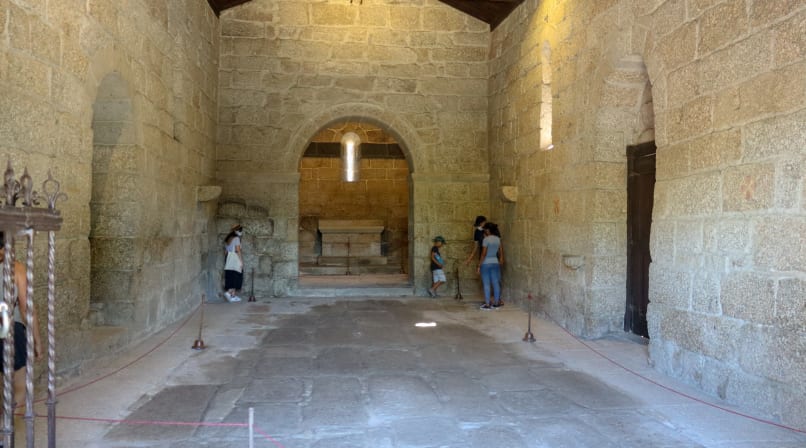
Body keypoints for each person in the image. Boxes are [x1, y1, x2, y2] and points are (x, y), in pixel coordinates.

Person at [0, 232, 42, 414]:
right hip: (6, 323)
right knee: (20, 385)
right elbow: (26, 308)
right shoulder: (16, 268)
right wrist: (37, 341)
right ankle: (5, 426)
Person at [477, 222, 504, 310]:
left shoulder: (486, 239)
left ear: (488, 230)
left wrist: (479, 265)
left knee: (486, 284)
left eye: (485, 229)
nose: (484, 230)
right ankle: (496, 303)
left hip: (486, 263)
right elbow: (501, 251)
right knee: (496, 283)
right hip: (495, 262)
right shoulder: (498, 239)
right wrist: (501, 259)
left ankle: (488, 304)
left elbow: (483, 254)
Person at [223, 224, 244, 303]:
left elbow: (225, 252)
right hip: (235, 258)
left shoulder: (228, 239)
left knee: (231, 275)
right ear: (236, 231)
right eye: (240, 230)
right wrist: (241, 261)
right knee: (237, 276)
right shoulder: (236, 238)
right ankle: (229, 293)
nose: (241, 232)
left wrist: (228, 258)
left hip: (229, 258)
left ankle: (233, 296)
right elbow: (238, 250)